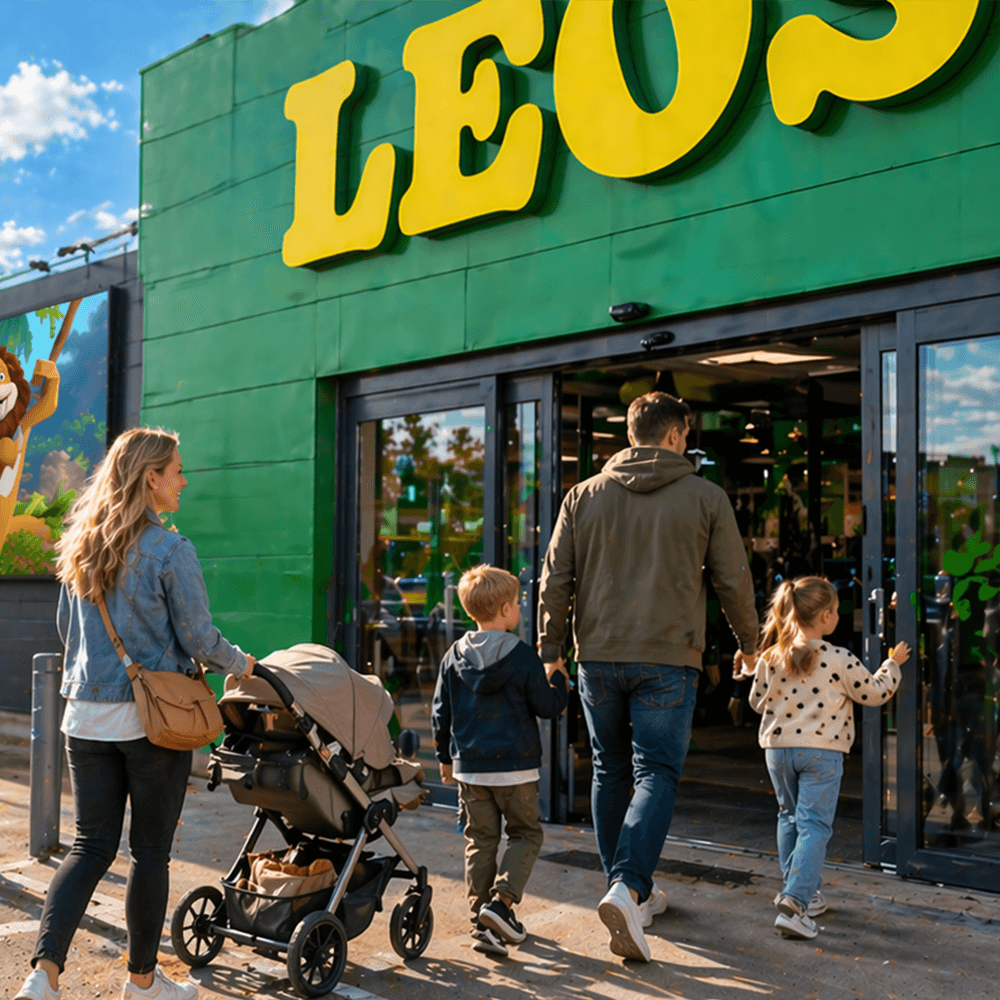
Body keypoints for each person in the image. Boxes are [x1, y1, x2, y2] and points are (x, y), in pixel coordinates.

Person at [15, 428, 256, 1000]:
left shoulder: (81, 543)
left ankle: (43, 976)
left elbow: (67, 633)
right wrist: (243, 664)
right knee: (150, 853)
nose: (184, 481)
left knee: (89, 847)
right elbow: (199, 639)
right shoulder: (170, 549)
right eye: (177, 471)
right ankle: (142, 983)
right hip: (152, 723)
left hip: (84, 719)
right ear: (151, 477)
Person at [538, 391, 759, 962]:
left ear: (631, 434)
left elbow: (555, 577)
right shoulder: (706, 496)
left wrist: (550, 648)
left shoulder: (582, 495)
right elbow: (733, 579)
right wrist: (750, 644)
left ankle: (629, 888)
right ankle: (629, 887)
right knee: (656, 771)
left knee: (609, 769)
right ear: (675, 435)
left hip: (597, 657)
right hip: (668, 658)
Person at [737, 576, 909, 940]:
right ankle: (796, 902)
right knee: (814, 825)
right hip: (822, 753)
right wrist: (892, 664)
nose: (838, 617)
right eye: (836, 611)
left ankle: (801, 891)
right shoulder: (838, 658)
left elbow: (756, 702)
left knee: (789, 818)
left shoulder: (771, 656)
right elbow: (874, 693)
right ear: (826, 616)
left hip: (777, 751)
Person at [431, 564, 569, 958]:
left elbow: (441, 712)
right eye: (518, 604)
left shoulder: (453, 656)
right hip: (516, 769)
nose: (521, 609)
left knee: (480, 840)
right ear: (505, 609)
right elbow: (547, 706)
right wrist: (559, 678)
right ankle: (502, 904)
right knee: (526, 834)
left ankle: (481, 919)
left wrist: (444, 757)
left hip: (470, 768)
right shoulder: (523, 655)